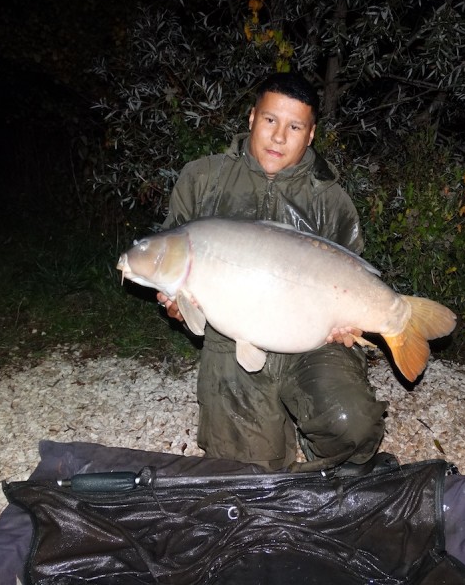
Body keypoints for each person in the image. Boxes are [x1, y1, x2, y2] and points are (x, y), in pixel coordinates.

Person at [157, 72, 387, 472]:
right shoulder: (201, 180)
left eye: (294, 126)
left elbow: (351, 286)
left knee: (353, 426)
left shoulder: (332, 201)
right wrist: (175, 304)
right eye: (269, 120)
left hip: (314, 343)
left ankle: (316, 437)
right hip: (232, 344)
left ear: (311, 134)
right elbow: (170, 259)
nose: (279, 137)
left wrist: (349, 327)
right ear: (251, 118)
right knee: (249, 473)